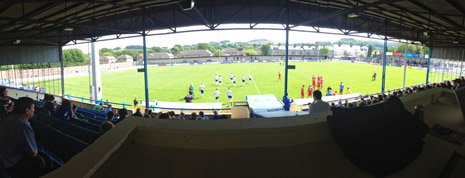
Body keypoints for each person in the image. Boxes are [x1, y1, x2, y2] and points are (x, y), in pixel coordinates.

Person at [0, 97, 46, 178]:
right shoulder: (23, 125)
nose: (34, 110)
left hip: (3, 159)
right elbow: (33, 153)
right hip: (6, 164)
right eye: (33, 108)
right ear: (27, 111)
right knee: (39, 161)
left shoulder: (9, 118)